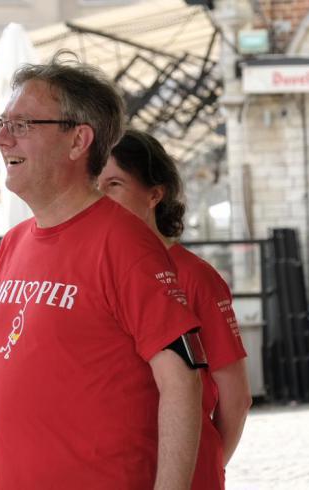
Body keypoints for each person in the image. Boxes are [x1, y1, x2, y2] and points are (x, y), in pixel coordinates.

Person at [0, 54, 204, 490]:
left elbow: (183, 381)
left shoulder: (123, 242)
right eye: (2, 122)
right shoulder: (14, 243)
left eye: (22, 125)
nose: (1, 138)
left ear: (78, 141)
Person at [99, 129, 252, 490]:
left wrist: (206, 462)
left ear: (155, 194)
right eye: (94, 185)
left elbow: (236, 396)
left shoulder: (195, 276)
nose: (99, 199)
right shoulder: (92, 270)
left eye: (114, 185)